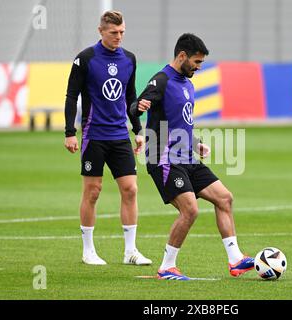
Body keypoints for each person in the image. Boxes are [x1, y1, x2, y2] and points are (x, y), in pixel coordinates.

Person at [130, 33, 254, 280]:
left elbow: (181, 122)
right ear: (182, 56)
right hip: (163, 158)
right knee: (190, 210)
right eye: (196, 62)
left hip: (186, 157)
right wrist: (139, 108)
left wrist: (196, 143)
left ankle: (235, 260)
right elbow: (133, 106)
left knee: (224, 199)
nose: (199, 67)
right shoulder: (162, 80)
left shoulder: (188, 84)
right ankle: (167, 267)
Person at [64, 10, 151, 266]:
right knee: (93, 192)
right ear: (101, 31)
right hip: (94, 135)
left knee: (131, 189)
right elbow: (71, 96)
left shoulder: (129, 60)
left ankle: (130, 251)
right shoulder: (85, 59)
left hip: (119, 135)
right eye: (114, 32)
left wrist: (138, 131)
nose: (119, 37)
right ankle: (88, 250)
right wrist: (70, 132)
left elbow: (130, 98)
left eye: (122, 32)